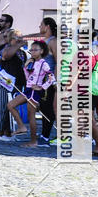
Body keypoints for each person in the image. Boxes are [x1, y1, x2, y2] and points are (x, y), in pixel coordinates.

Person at [7, 40, 55, 147]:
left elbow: (52, 78)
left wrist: (42, 87)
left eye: (35, 50)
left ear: (42, 51)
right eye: (31, 50)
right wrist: (25, 68)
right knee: (10, 105)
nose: (32, 52)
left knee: (31, 116)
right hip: (28, 90)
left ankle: (33, 141)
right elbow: (28, 78)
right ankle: (21, 126)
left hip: (34, 92)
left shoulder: (44, 63)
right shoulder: (31, 62)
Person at [0, 30, 26, 140]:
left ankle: (7, 132)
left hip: (16, 83)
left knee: (10, 107)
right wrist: (18, 45)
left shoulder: (22, 52)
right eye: (19, 37)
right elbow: (5, 56)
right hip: (5, 82)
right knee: (2, 106)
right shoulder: (7, 49)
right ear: (13, 38)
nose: (21, 38)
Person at [38, 17, 57, 145]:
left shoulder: (53, 42)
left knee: (47, 108)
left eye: (41, 25)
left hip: (48, 80)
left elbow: (59, 61)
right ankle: (43, 134)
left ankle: (45, 136)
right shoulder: (44, 42)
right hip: (40, 80)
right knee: (42, 108)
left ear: (48, 26)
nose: (39, 27)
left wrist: (54, 80)